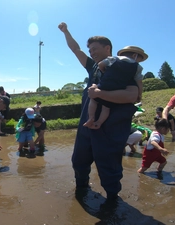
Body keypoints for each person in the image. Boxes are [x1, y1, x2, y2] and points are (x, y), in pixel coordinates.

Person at [59, 22, 139, 200]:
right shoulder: (93, 67)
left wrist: (100, 93)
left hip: (110, 129)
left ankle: (112, 202)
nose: (91, 53)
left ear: (107, 48)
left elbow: (132, 95)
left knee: (109, 167)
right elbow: (76, 49)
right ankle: (81, 190)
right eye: (90, 50)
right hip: (86, 126)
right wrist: (66, 31)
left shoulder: (120, 67)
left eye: (95, 49)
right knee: (78, 161)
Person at [83, 53, 143, 129]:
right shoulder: (138, 67)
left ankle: (91, 117)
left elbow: (101, 64)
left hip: (105, 83)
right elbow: (139, 82)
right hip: (118, 88)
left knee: (93, 99)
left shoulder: (113, 58)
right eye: (139, 60)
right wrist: (140, 94)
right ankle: (99, 123)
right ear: (135, 56)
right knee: (106, 107)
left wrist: (105, 71)